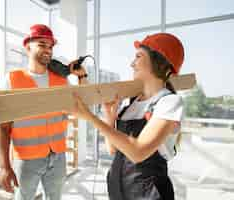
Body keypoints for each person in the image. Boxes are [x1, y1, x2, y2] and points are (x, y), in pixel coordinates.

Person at [68, 33, 185, 200]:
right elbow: (112, 149)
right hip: (119, 191)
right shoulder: (131, 103)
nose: (132, 63)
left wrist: (90, 117)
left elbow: (137, 152)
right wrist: (110, 118)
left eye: (138, 56)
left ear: (158, 61)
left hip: (149, 194)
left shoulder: (169, 102)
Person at [0, 24, 87, 200]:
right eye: (42, 44)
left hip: (58, 157)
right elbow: (4, 127)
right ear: (28, 47)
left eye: (50, 46)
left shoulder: (61, 80)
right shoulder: (12, 80)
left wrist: (81, 77)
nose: (48, 50)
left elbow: (80, 108)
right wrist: (4, 167)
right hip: (27, 158)